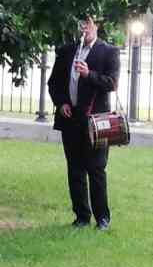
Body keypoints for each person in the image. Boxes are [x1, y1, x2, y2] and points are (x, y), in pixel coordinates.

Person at [48, 16, 120, 231]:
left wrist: (89, 74)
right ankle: (81, 217)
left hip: (96, 122)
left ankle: (102, 219)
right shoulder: (67, 51)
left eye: (88, 23)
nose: (84, 28)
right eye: (81, 24)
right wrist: (61, 103)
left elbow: (112, 83)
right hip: (70, 119)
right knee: (75, 169)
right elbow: (54, 83)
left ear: (96, 25)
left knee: (96, 169)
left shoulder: (108, 52)